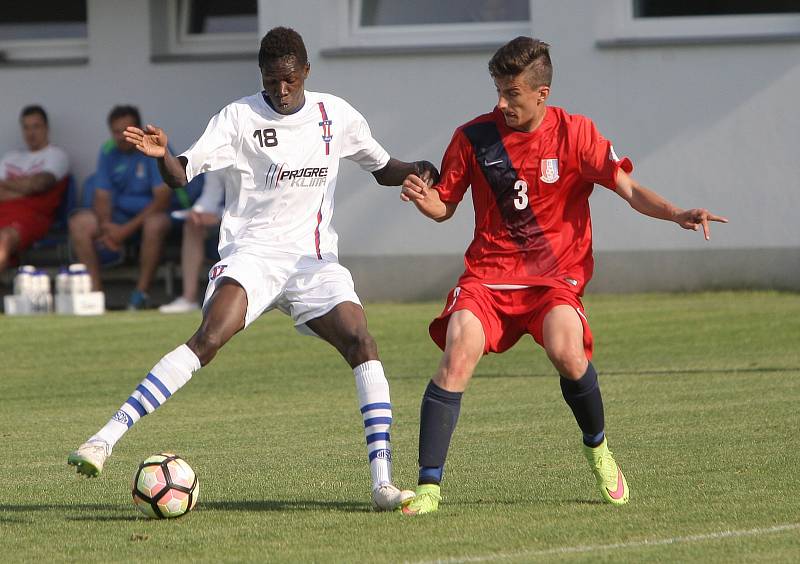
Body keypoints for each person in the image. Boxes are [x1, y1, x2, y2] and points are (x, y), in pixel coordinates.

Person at [68, 26, 439, 511]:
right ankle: (103, 440)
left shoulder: (335, 114)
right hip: (253, 255)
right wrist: (164, 156)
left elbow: (381, 165)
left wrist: (417, 168)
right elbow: (183, 169)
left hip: (314, 261)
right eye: (271, 81)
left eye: (289, 80)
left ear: (306, 71)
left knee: (362, 342)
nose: (281, 91)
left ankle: (382, 484)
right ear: (261, 76)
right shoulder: (239, 117)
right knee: (209, 339)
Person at [398, 36, 728, 515]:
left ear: (541, 93)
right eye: (497, 90)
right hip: (489, 279)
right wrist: (424, 199)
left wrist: (677, 213)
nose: (501, 102)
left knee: (566, 351)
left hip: (555, 279)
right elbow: (444, 206)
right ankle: (428, 488)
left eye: (511, 93)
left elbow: (629, 189)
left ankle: (599, 451)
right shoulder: (473, 137)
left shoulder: (576, 134)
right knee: (458, 352)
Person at [68, 105, 171, 310]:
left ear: (139, 128)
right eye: (116, 131)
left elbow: (161, 201)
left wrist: (123, 232)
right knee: (80, 223)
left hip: (151, 216)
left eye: (127, 130)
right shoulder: (108, 151)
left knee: (155, 224)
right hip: (119, 220)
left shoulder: (153, 147)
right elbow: (102, 196)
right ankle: (96, 296)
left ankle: (140, 295)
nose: (122, 136)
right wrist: (108, 228)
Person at [0, 105, 70, 273]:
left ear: (46, 128)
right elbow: (31, 187)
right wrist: (26, 188)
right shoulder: (11, 157)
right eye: (26, 127)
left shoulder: (56, 155)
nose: (31, 133)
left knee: (3, 239)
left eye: (36, 126)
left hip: (32, 218)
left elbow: (39, 185)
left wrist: (6, 184)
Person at [159, 169, 226, 313]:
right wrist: (198, 212)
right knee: (192, 225)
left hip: (260, 222)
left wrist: (221, 216)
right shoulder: (220, 155)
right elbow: (210, 197)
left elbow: (257, 202)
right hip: (229, 220)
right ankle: (189, 298)